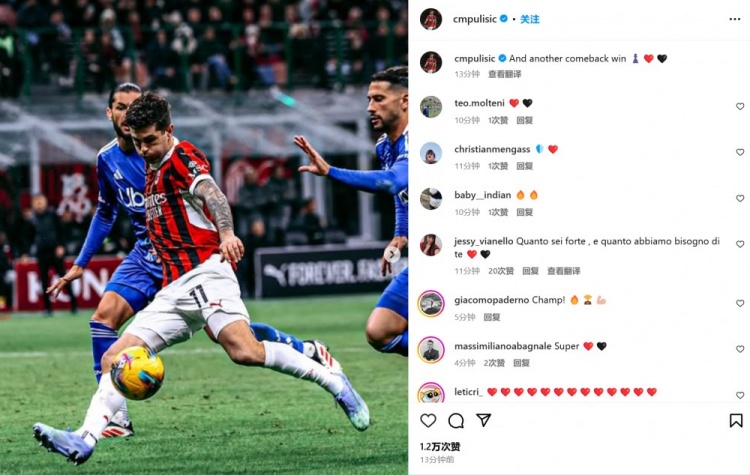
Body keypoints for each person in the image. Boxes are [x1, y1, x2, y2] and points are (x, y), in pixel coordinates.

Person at [34, 92, 369, 466]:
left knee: (244, 351)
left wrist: (226, 233)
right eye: (138, 142)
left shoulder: (182, 157)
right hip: (173, 289)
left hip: (206, 273)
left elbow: (213, 194)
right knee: (115, 357)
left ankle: (334, 382)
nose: (143, 149)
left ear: (169, 130)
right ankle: (85, 438)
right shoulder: (148, 166)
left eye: (150, 140)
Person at [294, 66, 409, 357]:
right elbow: (402, 193)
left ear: (405, 101)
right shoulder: (385, 146)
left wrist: (330, 171)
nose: (370, 107)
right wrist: (401, 233)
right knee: (380, 332)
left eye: (379, 99)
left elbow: (391, 182)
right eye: (369, 99)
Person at [26, 194, 78, 316]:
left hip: (55, 251)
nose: (39, 205)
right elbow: (28, 237)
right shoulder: (32, 220)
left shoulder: (53, 215)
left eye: (41, 202)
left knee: (64, 278)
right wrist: (26, 252)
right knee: (44, 281)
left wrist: (61, 246)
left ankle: (74, 305)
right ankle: (47, 308)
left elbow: (61, 231)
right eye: (37, 203)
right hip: (41, 252)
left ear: (45, 202)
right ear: (33, 205)